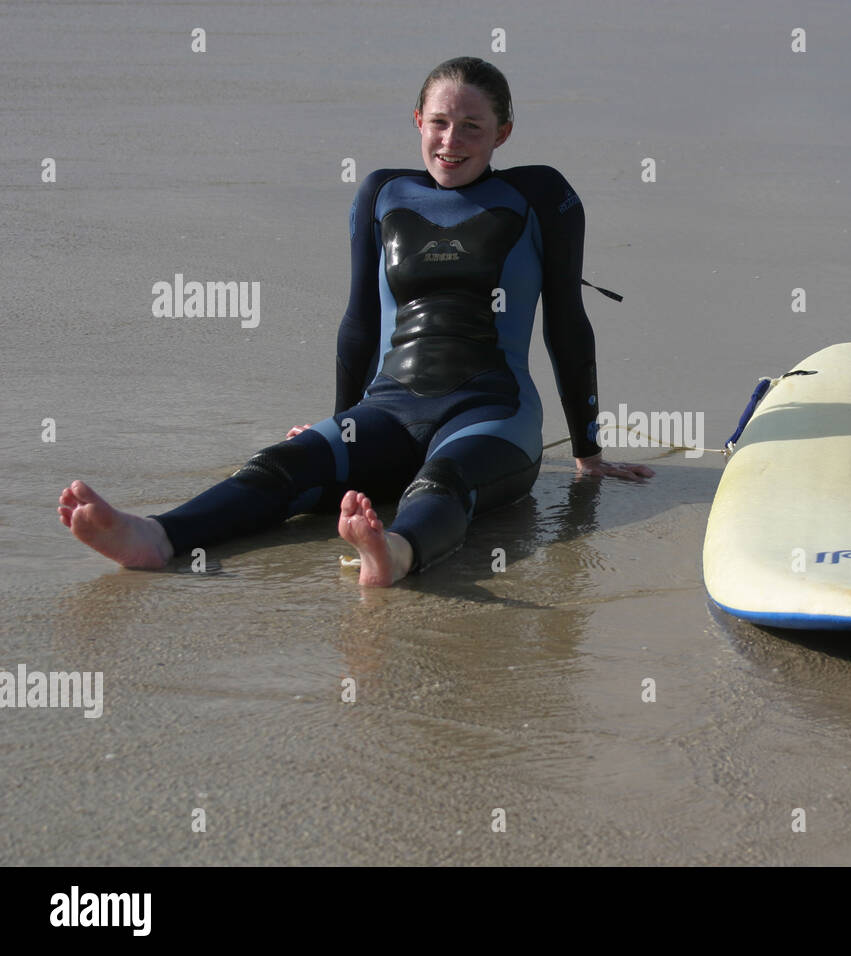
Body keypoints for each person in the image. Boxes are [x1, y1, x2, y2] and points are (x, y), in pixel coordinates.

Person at [58, 56, 653, 587]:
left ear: (503, 133)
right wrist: (340, 420)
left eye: (473, 126)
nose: (452, 140)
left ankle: (393, 552)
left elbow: (568, 325)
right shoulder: (382, 194)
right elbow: (359, 322)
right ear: (417, 119)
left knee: (442, 481)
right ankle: (155, 537)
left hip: (494, 413)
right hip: (387, 410)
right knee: (281, 465)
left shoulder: (542, 195)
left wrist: (588, 451)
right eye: (440, 122)